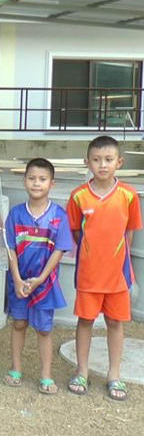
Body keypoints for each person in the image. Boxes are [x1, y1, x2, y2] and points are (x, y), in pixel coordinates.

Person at [66, 136, 141, 401]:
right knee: (85, 321)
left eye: (108, 160)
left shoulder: (129, 196)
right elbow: (75, 232)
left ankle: (114, 375)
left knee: (114, 323)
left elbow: (128, 233)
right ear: (87, 162)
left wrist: (120, 261)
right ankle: (82, 370)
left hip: (118, 276)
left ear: (119, 162)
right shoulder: (78, 196)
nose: (102, 165)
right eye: (96, 160)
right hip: (88, 274)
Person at [3, 158, 71, 394]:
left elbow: (60, 250)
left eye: (42, 179)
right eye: (31, 178)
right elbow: (10, 248)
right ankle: (15, 369)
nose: (36, 183)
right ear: (24, 181)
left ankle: (46, 375)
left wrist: (41, 278)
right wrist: (18, 279)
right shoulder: (15, 214)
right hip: (18, 283)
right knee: (19, 324)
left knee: (44, 329)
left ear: (52, 184)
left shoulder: (59, 216)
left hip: (44, 285)